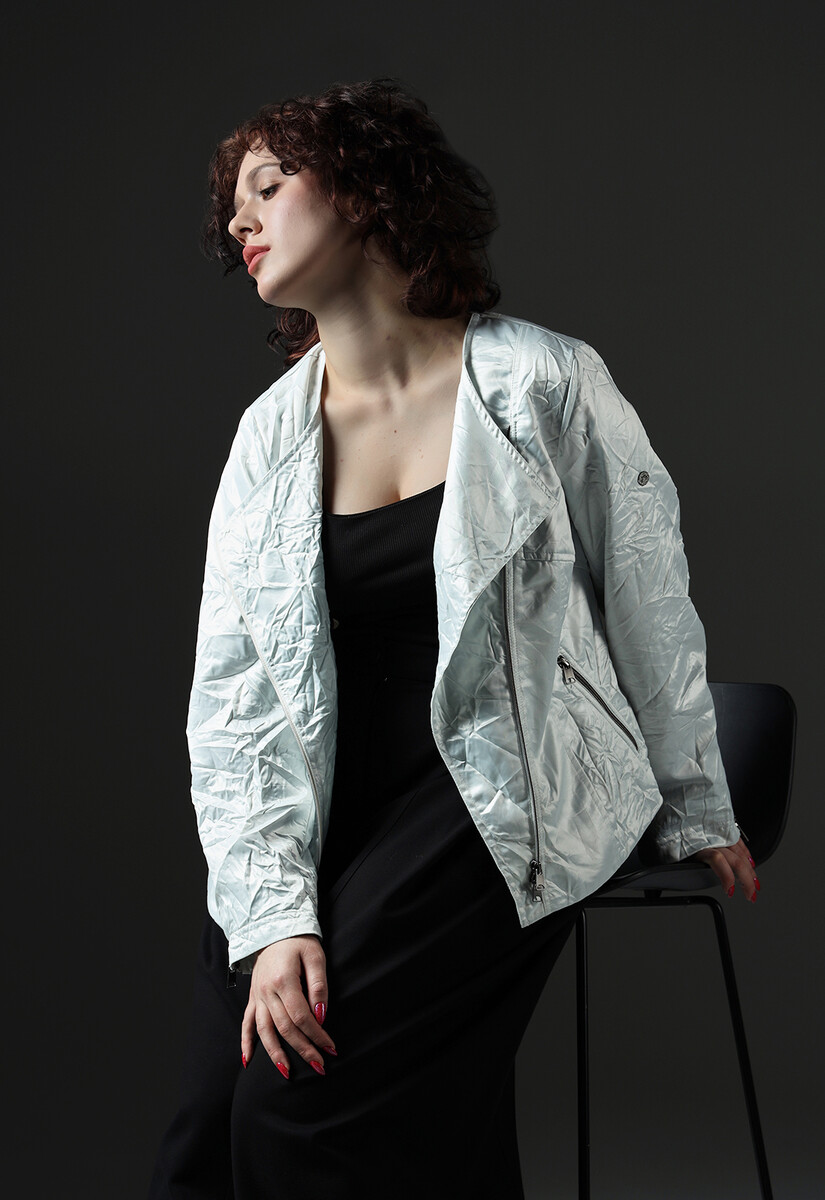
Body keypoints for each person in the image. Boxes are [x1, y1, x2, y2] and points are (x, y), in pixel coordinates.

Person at [149, 78, 760, 1200]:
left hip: (498, 785)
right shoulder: (267, 438)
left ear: (366, 190)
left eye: (269, 186)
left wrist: (695, 796)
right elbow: (233, 698)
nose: (240, 221)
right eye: (234, 204)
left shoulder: (542, 379)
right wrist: (275, 914)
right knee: (207, 1135)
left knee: (299, 1101)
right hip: (322, 799)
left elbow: (646, 589)